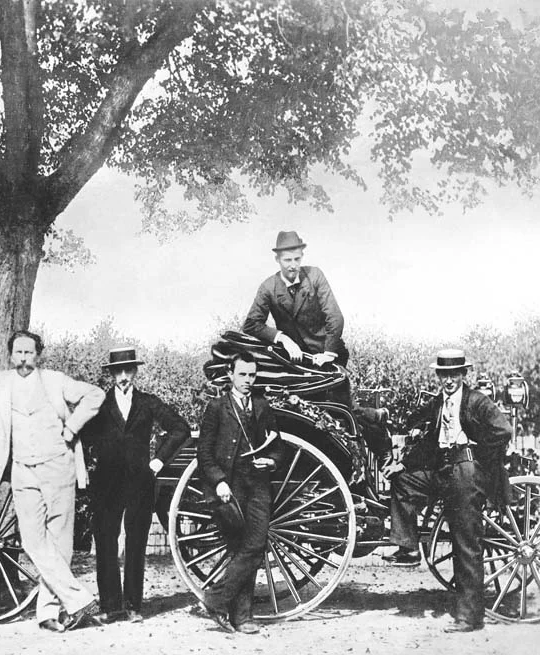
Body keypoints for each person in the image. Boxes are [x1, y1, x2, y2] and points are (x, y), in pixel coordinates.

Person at [0, 330, 106, 633]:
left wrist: (72, 427)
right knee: (33, 540)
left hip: (58, 466)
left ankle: (47, 613)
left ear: (39, 354)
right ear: (11, 355)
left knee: (59, 542)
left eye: (29, 352)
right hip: (23, 470)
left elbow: (95, 395)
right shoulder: (2, 384)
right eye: (18, 353)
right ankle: (79, 600)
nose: (23, 358)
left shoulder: (55, 380)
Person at [383, 349, 512, 633]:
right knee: (404, 482)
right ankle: (408, 548)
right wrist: (402, 465)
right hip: (441, 471)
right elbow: (430, 444)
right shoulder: (439, 403)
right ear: (439, 376)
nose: (449, 380)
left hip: (465, 473)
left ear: (464, 375)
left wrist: (479, 461)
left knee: (465, 541)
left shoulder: (478, 401)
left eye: (454, 374)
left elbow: (503, 432)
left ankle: (469, 618)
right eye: (444, 375)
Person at [85, 347, 190, 623]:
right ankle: (110, 607)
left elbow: (181, 428)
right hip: (106, 483)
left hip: (140, 481)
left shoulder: (147, 402)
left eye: (127, 371)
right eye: (117, 372)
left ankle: (133, 606)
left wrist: (157, 462)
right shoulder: (98, 404)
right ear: (111, 374)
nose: (123, 377)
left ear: (135, 372)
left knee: (136, 543)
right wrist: (89, 463)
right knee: (106, 542)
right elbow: (80, 435)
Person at [197, 349, 281, 634]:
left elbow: (278, 445)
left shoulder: (262, 406)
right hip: (229, 487)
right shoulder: (216, 408)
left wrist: (271, 460)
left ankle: (216, 599)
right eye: (242, 374)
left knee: (255, 545)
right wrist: (219, 481)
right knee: (239, 548)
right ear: (230, 375)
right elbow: (204, 453)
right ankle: (242, 618)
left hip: (258, 485)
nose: (247, 380)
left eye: (252, 375)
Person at [242, 230, 347, 367]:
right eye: (287, 260)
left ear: (302, 256)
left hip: (329, 355)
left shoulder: (315, 275)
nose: (293, 265)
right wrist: (282, 338)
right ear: (277, 259)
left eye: (297, 259)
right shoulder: (267, 287)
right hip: (296, 360)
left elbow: (335, 317)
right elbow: (251, 324)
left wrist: (328, 353)